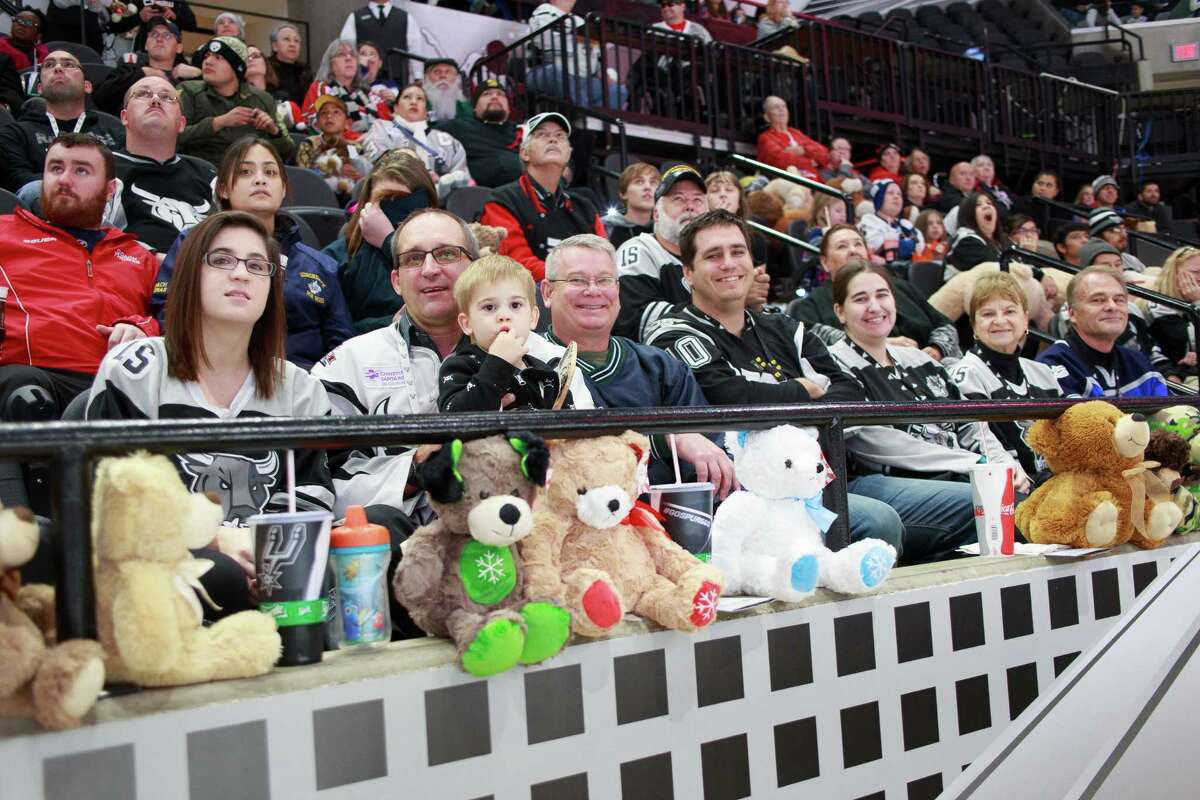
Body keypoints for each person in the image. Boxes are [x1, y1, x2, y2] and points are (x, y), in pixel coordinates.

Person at [87, 211, 335, 616]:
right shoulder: (135, 370)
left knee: (314, 577)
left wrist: (267, 555)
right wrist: (213, 540)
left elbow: (310, 495)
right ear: (189, 275)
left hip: (269, 572)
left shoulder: (300, 389)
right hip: (154, 580)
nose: (241, 274)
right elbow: (108, 499)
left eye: (257, 265)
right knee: (219, 575)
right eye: (222, 260)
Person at [641, 210, 921, 563]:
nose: (729, 264)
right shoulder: (674, 331)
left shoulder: (785, 328)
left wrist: (782, 404)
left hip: (827, 480)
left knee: (964, 504)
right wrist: (806, 390)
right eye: (713, 256)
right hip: (748, 496)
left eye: (737, 252)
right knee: (879, 522)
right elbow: (727, 398)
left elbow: (849, 391)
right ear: (688, 273)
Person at [312, 208, 479, 531]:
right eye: (414, 258)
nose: (430, 269)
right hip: (394, 554)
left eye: (446, 254)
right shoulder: (348, 364)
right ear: (396, 281)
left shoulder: (533, 357)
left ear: (476, 267)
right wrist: (414, 471)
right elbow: (322, 486)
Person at [530, 233, 735, 492]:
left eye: (604, 280)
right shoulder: (523, 365)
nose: (593, 290)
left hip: (664, 525)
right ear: (547, 292)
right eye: (577, 280)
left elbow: (709, 459)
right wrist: (668, 440)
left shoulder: (663, 368)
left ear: (617, 290)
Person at [823, 260, 994, 562]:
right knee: (987, 502)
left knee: (1018, 495)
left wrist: (1000, 464)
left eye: (882, 295)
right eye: (861, 299)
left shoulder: (918, 358)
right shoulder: (833, 365)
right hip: (882, 481)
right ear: (840, 312)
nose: (874, 307)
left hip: (962, 471)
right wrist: (971, 463)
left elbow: (968, 420)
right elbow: (870, 439)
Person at [0, 133, 159, 426]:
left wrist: (140, 327)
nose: (64, 179)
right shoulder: (5, 233)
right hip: (34, 376)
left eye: (81, 171)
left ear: (110, 189)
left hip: (118, 381)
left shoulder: (139, 256)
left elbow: (169, 317)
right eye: (56, 168)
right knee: (24, 390)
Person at [155, 137, 354, 371]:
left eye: (270, 172)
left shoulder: (320, 266)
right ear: (223, 189)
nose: (260, 179)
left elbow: (341, 346)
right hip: (209, 374)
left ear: (283, 190)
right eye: (246, 172)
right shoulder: (192, 244)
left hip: (302, 388)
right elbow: (168, 313)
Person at [948, 272, 1062, 487]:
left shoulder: (1043, 373)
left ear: (1025, 318)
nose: (1000, 321)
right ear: (973, 325)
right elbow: (982, 445)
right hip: (1011, 488)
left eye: (1010, 311)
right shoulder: (966, 374)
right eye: (988, 314)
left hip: (1058, 484)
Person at [789, 224, 960, 359]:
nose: (853, 250)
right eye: (842, 246)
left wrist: (936, 349)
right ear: (825, 262)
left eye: (858, 244)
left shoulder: (902, 287)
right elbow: (812, 342)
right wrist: (878, 345)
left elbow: (944, 325)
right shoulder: (810, 304)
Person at [480, 112, 605, 282]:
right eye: (542, 134)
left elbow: (606, 259)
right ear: (524, 152)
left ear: (568, 154)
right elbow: (515, 265)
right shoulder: (502, 201)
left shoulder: (585, 207)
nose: (553, 139)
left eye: (560, 135)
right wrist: (575, 280)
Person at [326, 151, 439, 333]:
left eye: (402, 200)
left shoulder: (451, 250)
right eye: (385, 199)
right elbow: (334, 331)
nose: (393, 207)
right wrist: (390, 326)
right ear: (367, 204)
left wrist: (389, 241)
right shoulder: (337, 258)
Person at [438, 254, 568, 411]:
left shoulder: (545, 372)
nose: (504, 316)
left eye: (515, 305)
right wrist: (498, 363)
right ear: (467, 323)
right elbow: (454, 418)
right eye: (489, 307)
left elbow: (570, 425)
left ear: (533, 317)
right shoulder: (459, 367)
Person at [110, 75, 217, 254]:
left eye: (167, 97)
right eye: (143, 94)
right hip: (138, 273)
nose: (155, 100)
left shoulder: (207, 172)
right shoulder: (103, 166)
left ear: (181, 123)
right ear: (124, 117)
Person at [0, 50, 125, 193]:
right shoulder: (15, 134)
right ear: (40, 89)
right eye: (49, 65)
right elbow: (19, 181)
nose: (58, 68)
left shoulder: (116, 131)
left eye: (69, 64)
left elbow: (123, 176)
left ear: (87, 86)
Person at [1038, 265, 1168, 397]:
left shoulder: (1136, 361)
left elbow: (1171, 412)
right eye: (1098, 300)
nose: (1112, 306)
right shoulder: (1052, 365)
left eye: (1119, 300)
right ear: (1072, 314)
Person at [615, 163, 709, 341]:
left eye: (697, 200)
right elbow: (635, 322)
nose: (690, 207)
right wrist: (724, 308)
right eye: (679, 199)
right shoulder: (639, 250)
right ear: (656, 214)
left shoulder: (718, 257)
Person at [178, 36, 294, 166]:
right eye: (207, 56)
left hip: (247, 174)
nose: (208, 62)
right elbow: (173, 137)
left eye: (218, 57)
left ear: (237, 67)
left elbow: (287, 152)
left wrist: (273, 131)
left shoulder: (263, 99)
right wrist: (217, 123)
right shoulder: (189, 91)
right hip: (200, 174)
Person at [361, 82, 470, 198]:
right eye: (407, 97)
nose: (413, 102)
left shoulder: (446, 140)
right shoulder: (381, 127)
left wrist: (444, 183)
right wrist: (420, 176)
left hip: (441, 206)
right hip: (393, 196)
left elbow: (462, 179)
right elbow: (377, 160)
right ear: (396, 107)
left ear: (426, 112)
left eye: (420, 99)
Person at [525, 0, 626, 109]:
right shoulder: (542, 13)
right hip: (543, 71)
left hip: (581, 78)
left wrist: (600, 71)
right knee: (557, 72)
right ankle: (580, 115)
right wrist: (578, 40)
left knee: (618, 90)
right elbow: (546, 42)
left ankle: (595, 120)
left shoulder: (581, 22)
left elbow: (594, 54)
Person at [93, 17, 200, 115]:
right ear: (146, 45)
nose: (159, 39)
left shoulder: (187, 79)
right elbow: (100, 98)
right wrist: (141, 73)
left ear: (179, 48)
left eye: (167, 36)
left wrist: (199, 74)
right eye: (154, 34)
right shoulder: (129, 69)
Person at [435, 78, 522, 189]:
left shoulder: (523, 131)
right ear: (475, 107)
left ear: (509, 108)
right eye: (486, 94)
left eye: (501, 94)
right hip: (479, 197)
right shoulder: (458, 127)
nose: (495, 97)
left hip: (526, 196)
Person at [295, 94, 370, 205]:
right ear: (318, 124)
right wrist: (335, 172)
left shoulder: (355, 148)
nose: (329, 116)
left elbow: (367, 174)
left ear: (347, 124)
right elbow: (303, 176)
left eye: (336, 112)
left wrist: (357, 175)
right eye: (324, 113)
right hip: (318, 198)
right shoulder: (310, 143)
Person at [300, 39, 384, 136]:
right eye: (341, 54)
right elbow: (318, 126)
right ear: (331, 64)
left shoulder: (367, 93)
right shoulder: (320, 87)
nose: (349, 58)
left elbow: (385, 125)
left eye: (353, 55)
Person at [1143, 246, 1200, 379]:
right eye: (1196, 271)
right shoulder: (1157, 308)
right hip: (1178, 379)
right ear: (1174, 275)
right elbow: (1174, 351)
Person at [338, 0, 425, 84]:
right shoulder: (355, 17)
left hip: (399, 81)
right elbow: (346, 49)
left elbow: (415, 50)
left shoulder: (405, 17)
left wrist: (418, 77)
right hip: (364, 82)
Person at [755, 95, 827, 178]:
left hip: (815, 180)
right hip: (788, 181)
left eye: (784, 106)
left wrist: (805, 150)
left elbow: (824, 154)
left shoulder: (796, 133)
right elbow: (780, 161)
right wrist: (810, 161)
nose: (781, 109)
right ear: (767, 117)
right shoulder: (766, 138)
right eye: (775, 107)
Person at [858, 179, 924, 266]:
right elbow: (874, 248)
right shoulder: (869, 221)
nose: (896, 197)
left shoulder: (906, 224)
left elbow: (920, 249)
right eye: (890, 193)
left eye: (899, 194)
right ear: (879, 198)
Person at [945, 191, 1007, 278]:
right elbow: (995, 269)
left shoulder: (1001, 240)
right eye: (978, 205)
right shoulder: (966, 241)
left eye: (989, 203)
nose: (986, 206)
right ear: (968, 214)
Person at [603, 161, 659, 248]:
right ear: (623, 193)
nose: (648, 187)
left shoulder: (664, 231)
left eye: (653, 182)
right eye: (639, 182)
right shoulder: (606, 227)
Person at [107, 0, 197, 52]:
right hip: (131, 51)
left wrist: (174, 17)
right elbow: (113, 25)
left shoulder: (176, 2)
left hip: (166, 53)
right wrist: (139, 17)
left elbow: (192, 24)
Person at [1089, 207, 1148, 274]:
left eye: (1123, 229)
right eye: (1114, 230)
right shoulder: (1092, 264)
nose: (1123, 234)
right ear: (1097, 237)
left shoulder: (1131, 260)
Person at [266, 23, 312, 106]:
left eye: (296, 41)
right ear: (275, 46)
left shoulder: (305, 70)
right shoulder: (266, 68)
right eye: (287, 39)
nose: (292, 44)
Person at [422, 57, 471, 122]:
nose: (443, 76)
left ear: (456, 78)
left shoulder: (464, 105)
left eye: (448, 72)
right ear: (426, 77)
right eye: (437, 72)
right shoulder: (420, 103)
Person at [0, 7, 47, 72]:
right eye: (19, 20)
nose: (22, 25)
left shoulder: (45, 58)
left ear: (38, 36)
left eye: (29, 23)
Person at [357, 41, 399, 111]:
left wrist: (394, 99)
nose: (368, 58)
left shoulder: (389, 85)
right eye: (363, 54)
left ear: (380, 63)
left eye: (372, 54)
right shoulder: (350, 85)